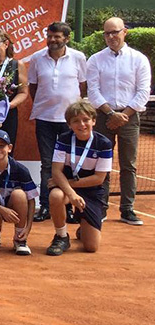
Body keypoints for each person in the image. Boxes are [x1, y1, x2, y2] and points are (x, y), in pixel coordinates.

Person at [86, 17, 151, 226]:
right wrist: (110, 113)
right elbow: (93, 91)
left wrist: (125, 115)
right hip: (103, 116)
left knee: (128, 164)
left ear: (125, 32)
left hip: (130, 118)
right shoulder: (95, 59)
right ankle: (100, 207)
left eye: (115, 32)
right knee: (101, 164)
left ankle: (127, 209)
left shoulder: (139, 59)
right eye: (107, 33)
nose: (111, 37)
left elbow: (143, 91)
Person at [28, 21, 87, 222]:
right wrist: (47, 103)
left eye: (57, 37)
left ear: (66, 38)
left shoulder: (78, 58)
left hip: (69, 121)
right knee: (47, 163)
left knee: (68, 165)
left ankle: (67, 206)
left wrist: (72, 111)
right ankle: (45, 205)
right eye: (50, 36)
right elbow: (33, 88)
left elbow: (83, 86)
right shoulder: (37, 59)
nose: (52, 40)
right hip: (44, 118)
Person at [46, 99, 113, 256]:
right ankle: (61, 236)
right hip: (66, 190)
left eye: (86, 120)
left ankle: (83, 228)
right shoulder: (63, 139)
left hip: (91, 190)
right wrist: (71, 194)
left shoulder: (104, 144)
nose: (81, 124)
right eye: (76, 121)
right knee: (55, 195)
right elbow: (56, 171)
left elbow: (98, 179)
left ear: (94, 121)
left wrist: (68, 184)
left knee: (91, 247)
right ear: (69, 125)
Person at [0, 130, 38, 255]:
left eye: (1, 146)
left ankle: (20, 239)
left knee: (20, 194)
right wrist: (2, 210)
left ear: (9, 148)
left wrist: (28, 228)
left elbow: (31, 200)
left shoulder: (21, 170)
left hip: (13, 205)